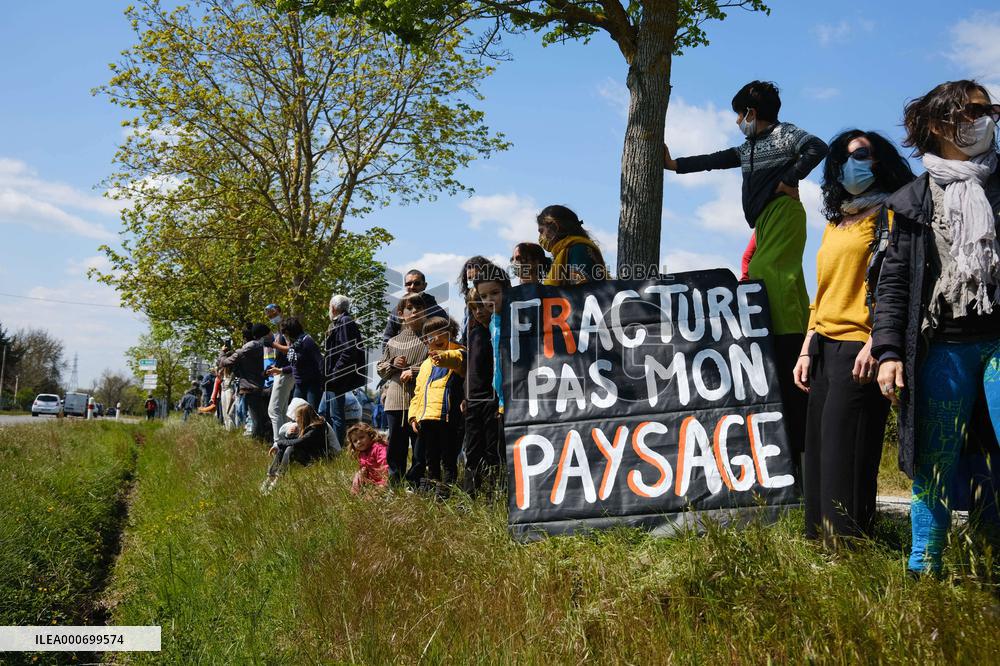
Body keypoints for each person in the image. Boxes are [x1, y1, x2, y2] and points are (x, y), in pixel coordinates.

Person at [664, 80, 828, 464]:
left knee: (769, 270)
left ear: (751, 113)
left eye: (739, 115)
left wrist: (790, 179)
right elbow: (718, 159)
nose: (738, 121)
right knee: (756, 266)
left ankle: (790, 328)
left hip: (783, 212)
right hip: (763, 220)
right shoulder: (750, 147)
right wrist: (675, 166)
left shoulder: (785, 134)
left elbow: (817, 147)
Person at [873, 80, 1000, 575]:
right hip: (941, 346)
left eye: (988, 110)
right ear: (936, 125)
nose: (982, 119)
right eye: (970, 112)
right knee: (935, 461)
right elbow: (894, 284)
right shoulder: (911, 200)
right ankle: (925, 565)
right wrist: (888, 353)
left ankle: (992, 555)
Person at [793, 129, 915, 544]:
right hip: (823, 346)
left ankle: (848, 548)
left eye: (861, 154)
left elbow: (898, 284)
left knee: (847, 451)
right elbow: (823, 290)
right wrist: (808, 346)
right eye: (844, 157)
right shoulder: (837, 222)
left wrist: (876, 343)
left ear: (879, 159)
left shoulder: (892, 215)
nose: (852, 163)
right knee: (820, 451)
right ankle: (819, 544)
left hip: (861, 346)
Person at [408, 316, 465, 495]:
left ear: (452, 334)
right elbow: (418, 393)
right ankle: (432, 489)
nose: (436, 338)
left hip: (448, 416)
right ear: (425, 340)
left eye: (442, 333)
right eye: (430, 336)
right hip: (426, 418)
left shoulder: (459, 352)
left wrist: (443, 356)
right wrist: (413, 416)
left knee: (448, 457)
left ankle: (448, 490)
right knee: (430, 457)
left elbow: (457, 359)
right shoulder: (425, 364)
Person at [377, 292, 430, 484]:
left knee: (419, 447)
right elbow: (381, 369)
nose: (415, 311)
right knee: (396, 447)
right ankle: (395, 483)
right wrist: (392, 363)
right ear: (401, 313)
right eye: (410, 308)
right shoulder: (392, 341)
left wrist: (414, 370)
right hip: (395, 401)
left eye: (419, 307)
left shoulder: (430, 339)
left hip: (421, 402)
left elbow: (435, 364)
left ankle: (416, 483)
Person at [463, 284, 504, 496]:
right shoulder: (473, 332)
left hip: (493, 400)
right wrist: (464, 396)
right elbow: (469, 368)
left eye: (481, 306)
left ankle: (493, 494)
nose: (478, 312)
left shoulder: (498, 331)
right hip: (473, 400)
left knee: (492, 450)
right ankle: (470, 495)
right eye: (473, 308)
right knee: (472, 450)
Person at [322, 294, 366, 447]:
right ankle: (329, 447)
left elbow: (348, 351)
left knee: (336, 416)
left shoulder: (345, 322)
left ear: (333, 308)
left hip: (338, 378)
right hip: (333, 378)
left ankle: (337, 449)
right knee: (326, 413)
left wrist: (334, 374)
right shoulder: (339, 322)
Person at [218, 323, 272, 442]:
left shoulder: (242, 352)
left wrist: (222, 353)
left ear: (244, 338)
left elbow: (224, 363)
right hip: (261, 386)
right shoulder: (262, 348)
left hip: (248, 389)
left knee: (255, 419)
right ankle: (263, 439)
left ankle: (258, 442)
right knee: (260, 418)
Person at [260, 400, 329, 493]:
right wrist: (288, 436)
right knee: (284, 447)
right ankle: (271, 476)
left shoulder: (316, 429)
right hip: (308, 452)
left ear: (304, 417)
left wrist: (279, 443)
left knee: (290, 448)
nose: (296, 419)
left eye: (298, 417)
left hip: (317, 458)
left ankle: (278, 478)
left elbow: (300, 441)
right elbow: (297, 440)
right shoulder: (310, 425)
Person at [536, 205, 608, 286]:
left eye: (542, 231)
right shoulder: (566, 252)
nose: (540, 237)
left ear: (555, 227)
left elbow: (579, 292)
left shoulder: (577, 250)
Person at [269, 316, 324, 411]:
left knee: (312, 413)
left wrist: (323, 381)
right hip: (299, 384)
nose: (285, 336)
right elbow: (294, 365)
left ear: (290, 332)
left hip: (312, 384)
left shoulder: (307, 341)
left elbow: (320, 361)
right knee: (295, 412)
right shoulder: (294, 345)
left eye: (285, 333)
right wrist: (280, 370)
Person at [382, 269, 448, 345]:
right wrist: (391, 357)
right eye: (408, 284)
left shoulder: (437, 311)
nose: (412, 287)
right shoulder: (396, 311)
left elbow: (448, 337)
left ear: (424, 285)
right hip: (403, 355)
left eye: (417, 283)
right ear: (405, 286)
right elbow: (388, 339)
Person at [262, 304, 294, 449]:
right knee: (281, 410)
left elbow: (290, 350)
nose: (271, 316)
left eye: (272, 313)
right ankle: (286, 440)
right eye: (268, 315)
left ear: (280, 311)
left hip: (284, 373)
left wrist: (273, 345)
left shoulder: (285, 328)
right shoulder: (278, 331)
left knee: (273, 410)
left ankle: (278, 443)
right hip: (280, 371)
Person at [348, 423, 389, 494]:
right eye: (355, 441)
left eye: (361, 437)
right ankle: (354, 493)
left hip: (384, 480)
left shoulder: (378, 448)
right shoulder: (362, 452)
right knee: (358, 474)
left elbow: (385, 465)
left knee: (372, 496)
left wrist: (383, 483)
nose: (359, 442)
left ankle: (379, 490)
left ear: (370, 435)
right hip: (372, 481)